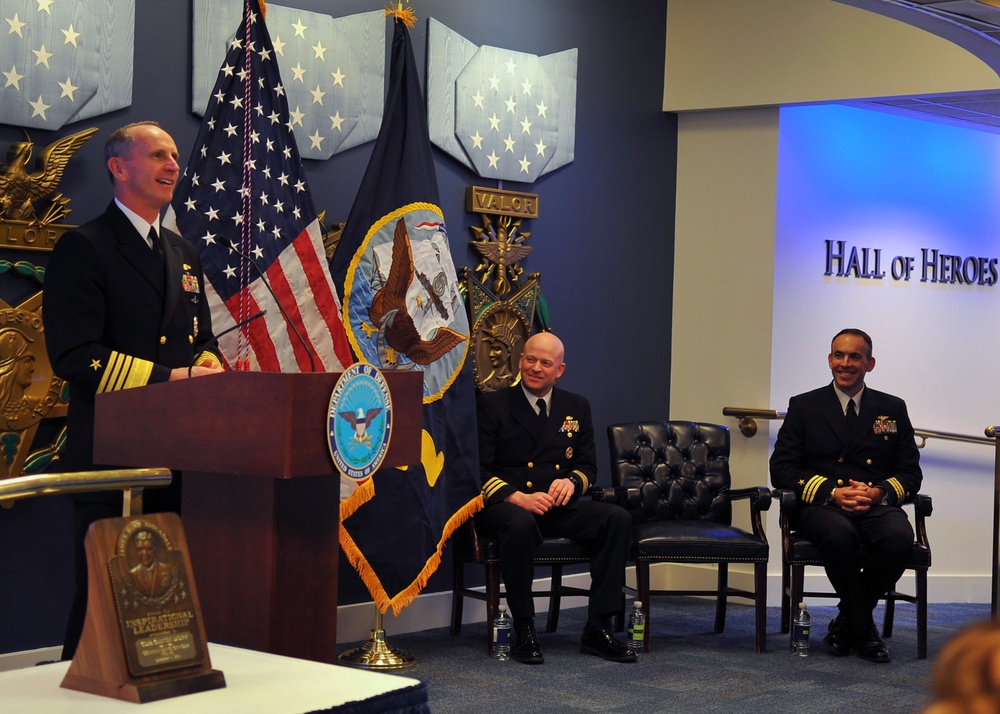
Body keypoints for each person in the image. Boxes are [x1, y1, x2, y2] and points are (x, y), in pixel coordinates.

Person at [43, 121, 224, 659]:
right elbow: (75, 357)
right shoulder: (85, 246)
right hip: (113, 456)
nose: (174, 165)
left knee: (163, 604)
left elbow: (202, 338)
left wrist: (208, 364)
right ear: (118, 168)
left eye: (174, 155)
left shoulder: (183, 251)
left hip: (177, 452)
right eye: (158, 156)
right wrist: (173, 379)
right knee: (105, 598)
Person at [475, 331, 635, 664]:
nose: (535, 367)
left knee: (616, 518)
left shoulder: (576, 406)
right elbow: (477, 470)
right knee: (518, 524)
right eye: (530, 359)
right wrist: (517, 497)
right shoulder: (493, 404)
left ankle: (598, 628)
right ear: (520, 361)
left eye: (545, 363)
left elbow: (587, 465)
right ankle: (525, 628)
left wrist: (573, 483)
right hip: (508, 508)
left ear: (559, 370)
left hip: (556, 506)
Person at [770, 328, 922, 664]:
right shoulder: (805, 405)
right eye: (839, 355)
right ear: (829, 360)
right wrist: (832, 492)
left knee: (899, 538)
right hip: (823, 505)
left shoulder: (892, 408)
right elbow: (781, 468)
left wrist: (880, 491)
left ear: (870, 363)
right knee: (840, 536)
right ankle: (864, 630)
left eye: (855, 356)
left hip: (873, 503)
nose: (846, 363)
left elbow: (911, 472)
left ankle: (847, 621)